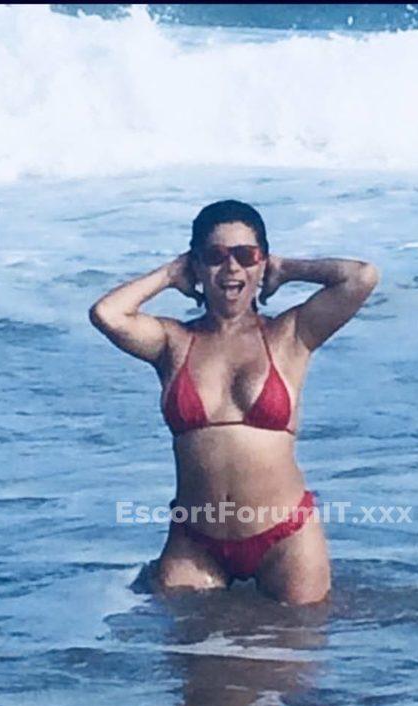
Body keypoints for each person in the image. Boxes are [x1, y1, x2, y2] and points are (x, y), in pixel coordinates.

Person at [89, 199, 379, 605]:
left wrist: (286, 268)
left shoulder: (290, 335)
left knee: (296, 642)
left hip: (286, 537)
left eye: (246, 256)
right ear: (197, 266)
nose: (231, 268)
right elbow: (107, 313)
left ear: (261, 264)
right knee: (182, 642)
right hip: (195, 540)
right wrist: (170, 273)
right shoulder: (173, 342)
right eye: (215, 256)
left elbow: (361, 277)